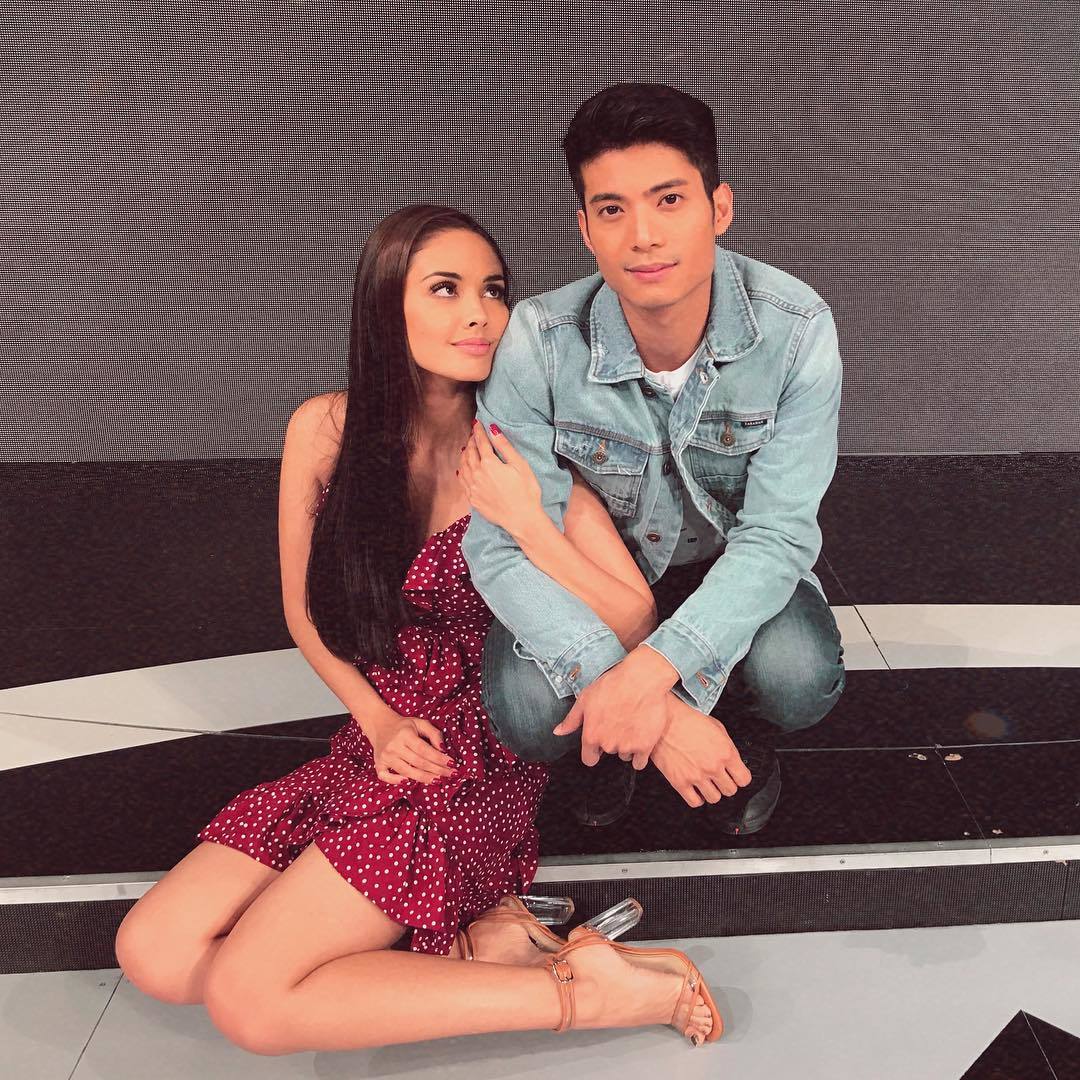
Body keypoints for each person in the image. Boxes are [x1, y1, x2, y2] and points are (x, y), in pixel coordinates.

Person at [114, 204, 721, 1053]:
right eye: (445, 289)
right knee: (155, 952)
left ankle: (590, 992)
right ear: (385, 306)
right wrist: (376, 719)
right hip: (383, 736)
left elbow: (633, 615)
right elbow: (303, 609)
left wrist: (528, 521)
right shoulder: (325, 429)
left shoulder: (518, 450)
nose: (479, 314)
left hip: (473, 761)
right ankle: (486, 943)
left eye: (493, 291)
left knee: (250, 1003)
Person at [462, 82, 848, 833]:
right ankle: (635, 742)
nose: (642, 235)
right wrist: (660, 717)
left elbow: (777, 535)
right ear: (585, 228)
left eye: (669, 200)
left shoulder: (797, 329)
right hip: (595, 579)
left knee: (799, 677)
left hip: (727, 565)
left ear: (719, 208)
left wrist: (651, 675)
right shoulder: (539, 341)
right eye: (612, 210)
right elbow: (500, 547)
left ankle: (723, 733)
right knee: (526, 711)